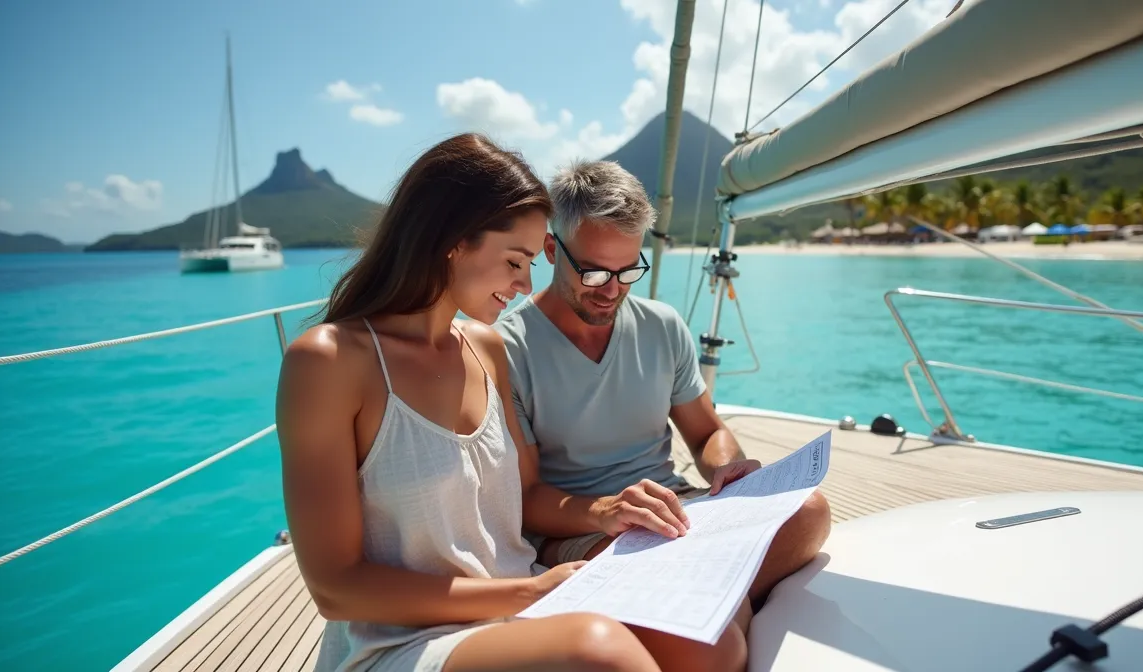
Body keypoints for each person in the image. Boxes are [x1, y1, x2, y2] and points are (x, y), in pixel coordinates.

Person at [276, 134, 746, 672]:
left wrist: (605, 515)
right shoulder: (328, 362)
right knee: (597, 652)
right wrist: (529, 592)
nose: (525, 285)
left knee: (715, 648)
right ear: (453, 241)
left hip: (525, 601)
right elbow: (338, 590)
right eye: (515, 261)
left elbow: (523, 497)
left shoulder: (486, 347)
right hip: (406, 640)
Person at [494, 159, 831, 613]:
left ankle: (711, 605)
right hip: (581, 529)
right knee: (693, 589)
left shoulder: (663, 325)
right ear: (552, 251)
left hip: (676, 509)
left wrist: (726, 470)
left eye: (628, 271)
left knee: (810, 511)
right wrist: (606, 510)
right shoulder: (506, 349)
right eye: (594, 273)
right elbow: (525, 497)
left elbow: (707, 432)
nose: (612, 290)